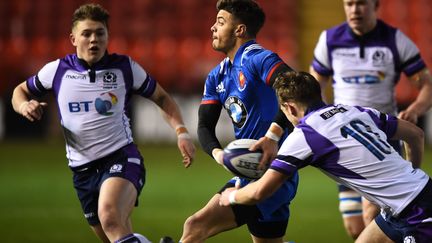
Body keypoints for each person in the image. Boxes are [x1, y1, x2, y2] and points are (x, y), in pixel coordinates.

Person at [11, 4, 195, 243]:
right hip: (82, 172)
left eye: (100, 33)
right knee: (116, 236)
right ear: (73, 38)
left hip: (121, 158)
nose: (93, 39)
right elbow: (20, 91)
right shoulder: (56, 71)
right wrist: (24, 105)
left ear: (108, 37)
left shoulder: (125, 68)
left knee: (109, 216)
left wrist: (181, 132)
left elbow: (162, 98)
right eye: (86, 33)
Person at [220, 71, 432, 243]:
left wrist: (230, 196)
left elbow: (259, 192)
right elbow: (416, 134)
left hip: (419, 213)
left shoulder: (304, 136)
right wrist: (412, 173)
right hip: (408, 201)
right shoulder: (355, 111)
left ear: (289, 108)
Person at [309, 0, 432, 238]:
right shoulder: (330, 40)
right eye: (349, 3)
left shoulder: (395, 40)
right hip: (345, 141)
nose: (355, 10)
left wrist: (415, 109)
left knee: (372, 216)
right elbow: (315, 85)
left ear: (376, 7)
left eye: (362, 4)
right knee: (355, 228)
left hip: (383, 139)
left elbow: (426, 85)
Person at [180, 0, 298, 242]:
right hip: (249, 171)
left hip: (273, 174)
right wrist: (219, 154)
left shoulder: (257, 58)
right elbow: (204, 126)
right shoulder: (217, 76)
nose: (213, 27)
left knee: (195, 226)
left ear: (240, 30)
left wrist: (272, 137)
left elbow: (293, 87)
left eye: (221, 22)